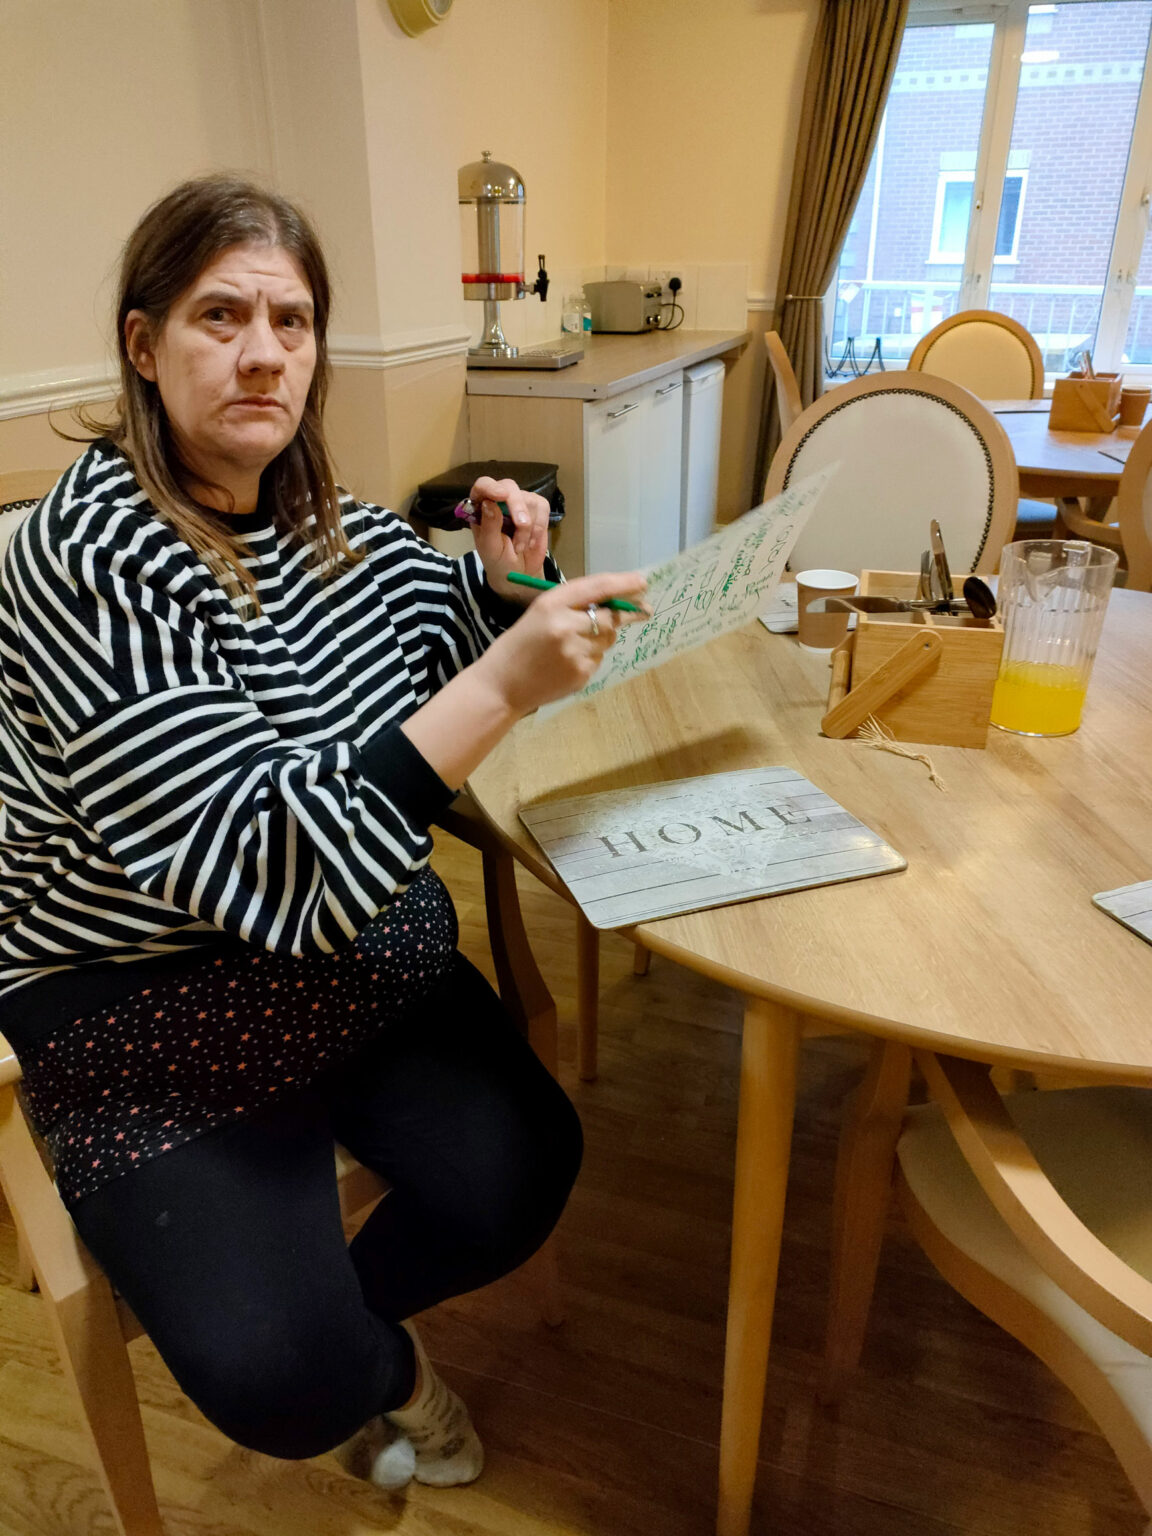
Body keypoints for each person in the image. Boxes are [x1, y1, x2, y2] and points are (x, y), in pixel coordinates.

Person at [0, 175, 646, 1490]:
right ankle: (382, 1370)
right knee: (283, 1386)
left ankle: (342, 1323)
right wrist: (504, 679)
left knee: (528, 1167)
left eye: (290, 323)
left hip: (343, 945)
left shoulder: (323, 520)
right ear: (143, 346)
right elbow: (265, 860)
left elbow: (430, 640)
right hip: (142, 991)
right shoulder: (83, 555)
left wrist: (498, 585)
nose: (263, 354)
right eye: (221, 316)